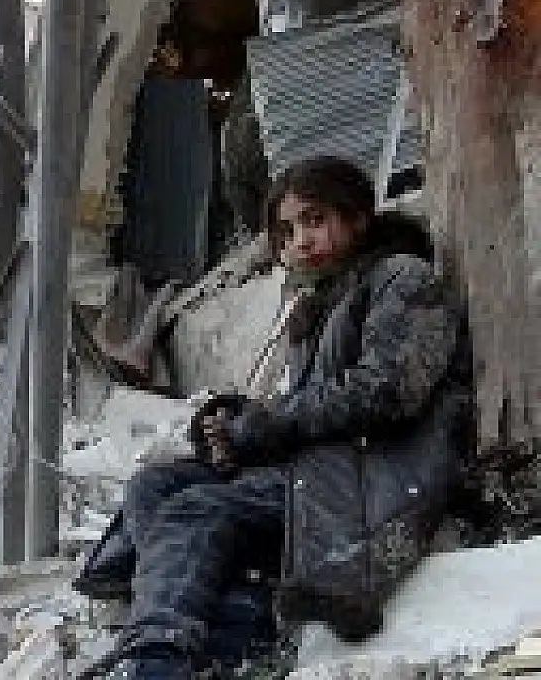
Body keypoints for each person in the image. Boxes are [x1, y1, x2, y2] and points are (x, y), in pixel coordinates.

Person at [88, 156, 473, 679]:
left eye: (315, 221)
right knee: (153, 485)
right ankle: (238, 617)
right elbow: (303, 407)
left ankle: (157, 659)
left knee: (195, 509)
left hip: (370, 479)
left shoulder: (402, 280)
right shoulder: (318, 306)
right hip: (315, 472)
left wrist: (273, 425)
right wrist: (232, 427)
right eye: (287, 232)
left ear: (358, 218)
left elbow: (387, 392)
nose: (301, 242)